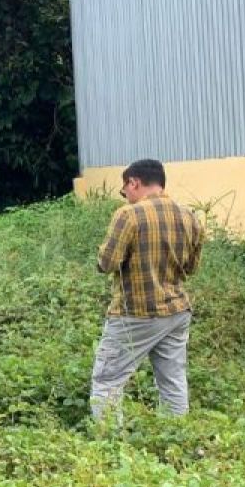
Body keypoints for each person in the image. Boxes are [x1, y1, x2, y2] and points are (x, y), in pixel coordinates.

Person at [90, 158, 203, 420]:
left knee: (108, 379)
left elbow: (106, 263)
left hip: (135, 313)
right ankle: (177, 437)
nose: (126, 196)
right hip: (176, 311)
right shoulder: (190, 217)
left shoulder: (128, 215)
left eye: (125, 190)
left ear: (134, 182)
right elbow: (191, 268)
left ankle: (108, 444)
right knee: (172, 380)